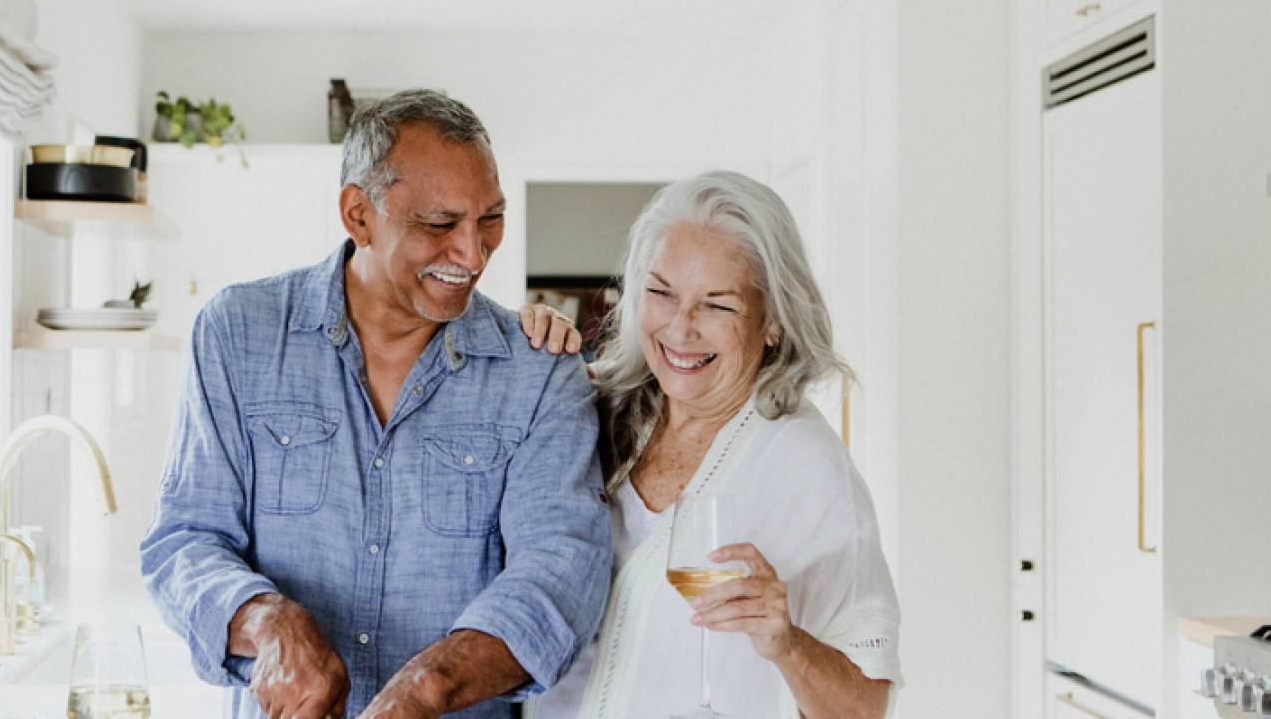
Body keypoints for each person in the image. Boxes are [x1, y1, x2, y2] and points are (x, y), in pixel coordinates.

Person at [141, 90, 612, 719]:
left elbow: (561, 570)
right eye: (439, 224)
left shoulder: (541, 373)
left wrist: (427, 688)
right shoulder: (236, 334)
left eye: (490, 218)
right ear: (359, 215)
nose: (472, 255)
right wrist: (268, 621)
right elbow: (185, 540)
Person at [525, 171, 901, 718]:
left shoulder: (806, 466)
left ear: (772, 319)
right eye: (661, 293)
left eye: (717, 305)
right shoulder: (593, 413)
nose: (680, 329)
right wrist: (524, 348)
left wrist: (787, 642)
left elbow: (865, 708)